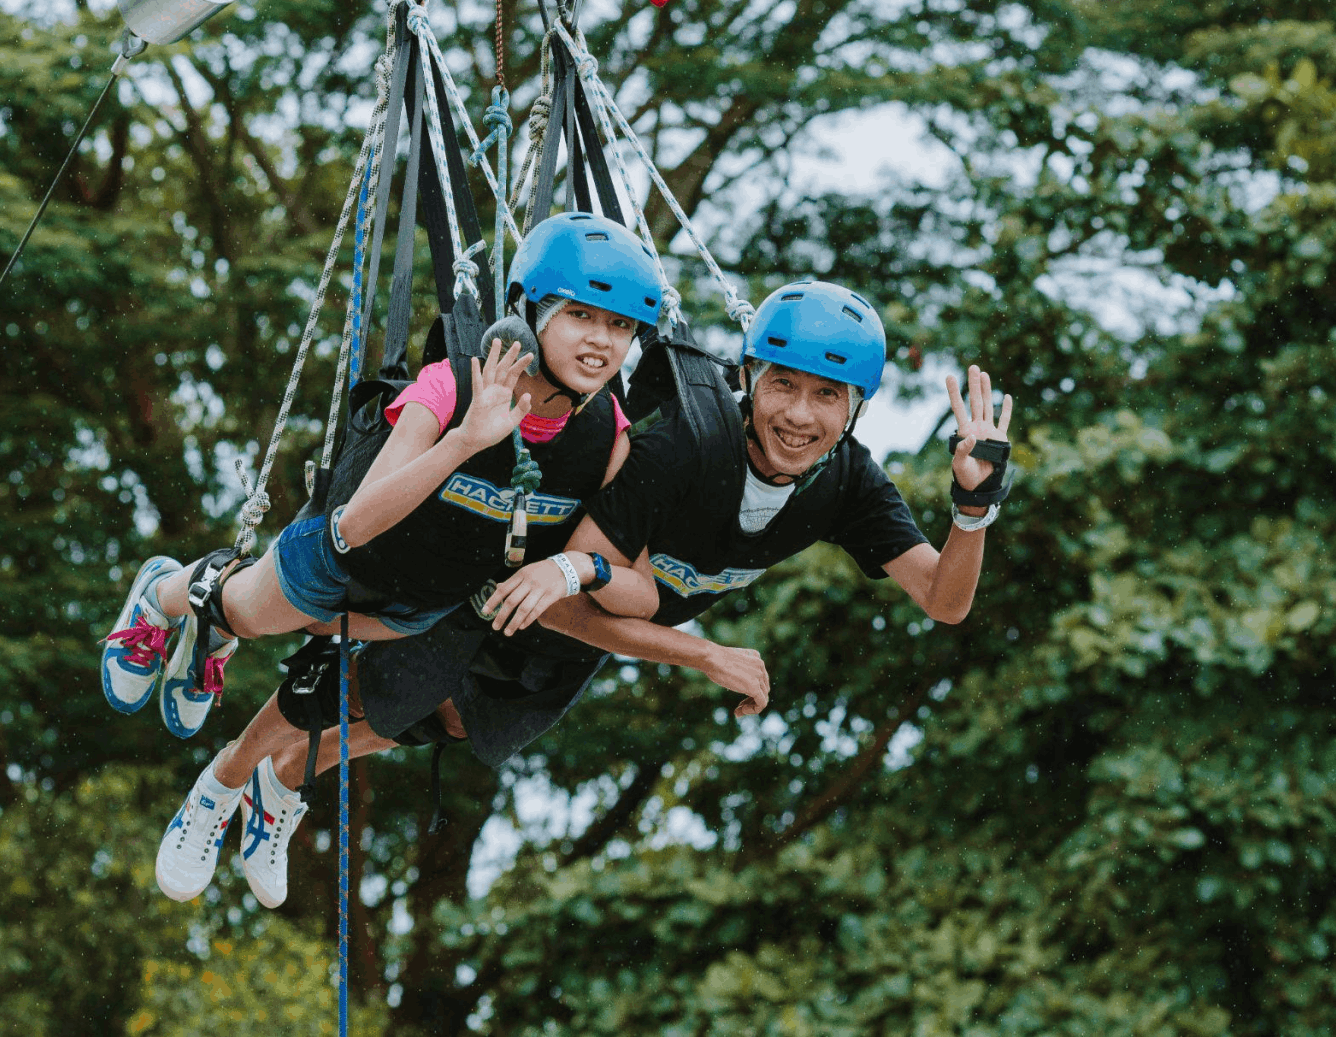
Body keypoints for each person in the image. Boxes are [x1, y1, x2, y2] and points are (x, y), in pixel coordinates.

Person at [207, 278, 1016, 910]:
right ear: (748, 378)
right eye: (783, 386)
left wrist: (972, 507)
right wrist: (701, 653)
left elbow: (943, 600)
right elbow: (565, 595)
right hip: (520, 583)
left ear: (856, 409)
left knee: (445, 723)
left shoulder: (846, 484)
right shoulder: (680, 449)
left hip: (584, 630)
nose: (798, 415)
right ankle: (229, 773)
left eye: (826, 397)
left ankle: (282, 782)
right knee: (353, 690)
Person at [98, 212, 671, 900]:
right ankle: (162, 596)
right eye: (582, 315)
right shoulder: (448, 384)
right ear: (530, 312)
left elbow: (635, 578)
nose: (602, 341)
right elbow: (357, 522)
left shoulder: (607, 432)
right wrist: (464, 439)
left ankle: (225, 757)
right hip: (344, 562)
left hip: (417, 604)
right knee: (254, 615)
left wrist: (574, 569)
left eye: (620, 326)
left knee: (398, 704)